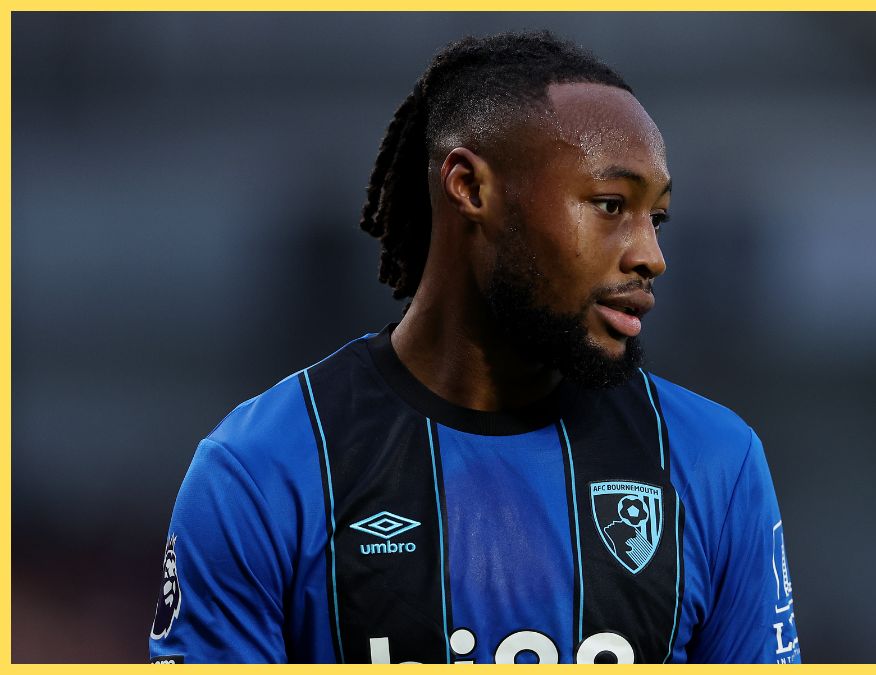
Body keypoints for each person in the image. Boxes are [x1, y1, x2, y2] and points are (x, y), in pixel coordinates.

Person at [148, 30, 800, 664]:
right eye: (609, 205)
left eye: (654, 217)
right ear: (472, 188)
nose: (650, 255)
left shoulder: (714, 462)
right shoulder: (263, 468)